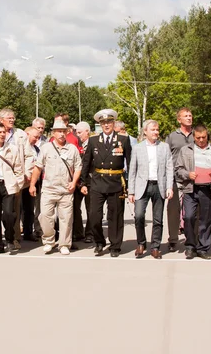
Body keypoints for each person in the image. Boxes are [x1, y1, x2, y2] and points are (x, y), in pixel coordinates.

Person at [80, 109, 132, 257]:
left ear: (113, 123)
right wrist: (83, 183)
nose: (106, 125)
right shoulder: (93, 140)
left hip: (115, 182)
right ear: (100, 124)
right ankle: (99, 241)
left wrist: (129, 184)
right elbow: (86, 163)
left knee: (115, 216)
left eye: (109, 122)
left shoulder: (123, 140)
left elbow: (130, 163)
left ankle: (115, 246)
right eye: (103, 123)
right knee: (94, 216)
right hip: (97, 182)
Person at [30, 120, 82, 255]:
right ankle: (48, 241)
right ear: (53, 133)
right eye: (58, 131)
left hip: (66, 190)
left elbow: (78, 167)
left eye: (63, 131)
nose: (61, 134)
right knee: (45, 216)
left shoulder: (72, 149)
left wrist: (74, 182)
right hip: (49, 189)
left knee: (66, 218)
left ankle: (64, 244)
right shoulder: (46, 148)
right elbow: (38, 167)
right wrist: (32, 184)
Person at [176, 125, 211, 260]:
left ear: (207, 136)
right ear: (193, 137)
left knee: (206, 219)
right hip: (190, 189)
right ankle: (190, 246)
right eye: (198, 138)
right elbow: (178, 169)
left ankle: (203, 248)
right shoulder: (185, 150)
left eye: (203, 137)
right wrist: (188, 174)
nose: (201, 140)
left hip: (208, 189)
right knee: (188, 217)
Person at [128, 120, 173, 259]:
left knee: (158, 219)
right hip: (142, 186)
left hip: (159, 186)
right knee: (139, 216)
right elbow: (132, 170)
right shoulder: (138, 148)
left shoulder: (164, 147)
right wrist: (131, 191)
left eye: (157, 129)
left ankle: (155, 247)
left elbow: (169, 167)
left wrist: (169, 187)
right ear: (145, 132)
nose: (156, 132)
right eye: (153, 130)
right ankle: (141, 243)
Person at [0, 108, 27, 249]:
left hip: (12, 182)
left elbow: (27, 157)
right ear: (1, 120)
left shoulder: (20, 135)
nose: (12, 120)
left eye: (13, 117)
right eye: (9, 117)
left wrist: (20, 183)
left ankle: (13, 239)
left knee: (11, 213)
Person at [164, 107, 193, 251]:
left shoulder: (197, 135)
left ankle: (191, 239)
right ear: (179, 119)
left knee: (191, 212)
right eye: (185, 116)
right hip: (175, 178)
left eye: (190, 115)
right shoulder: (172, 137)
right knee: (173, 211)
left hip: (192, 178)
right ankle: (173, 240)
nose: (189, 117)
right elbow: (165, 157)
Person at [21, 126, 41, 241]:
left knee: (29, 208)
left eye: (38, 137)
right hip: (22, 181)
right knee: (18, 209)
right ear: (27, 134)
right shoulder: (21, 148)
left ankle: (29, 232)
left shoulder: (37, 149)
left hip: (32, 183)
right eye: (35, 137)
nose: (36, 139)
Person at [73, 121, 92, 242]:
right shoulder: (75, 145)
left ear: (87, 132)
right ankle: (78, 232)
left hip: (91, 181)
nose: (77, 135)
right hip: (78, 181)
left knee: (91, 209)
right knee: (75, 207)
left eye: (80, 132)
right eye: (76, 132)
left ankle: (90, 233)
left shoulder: (94, 144)